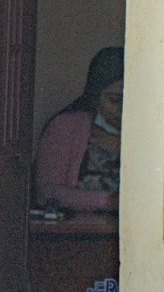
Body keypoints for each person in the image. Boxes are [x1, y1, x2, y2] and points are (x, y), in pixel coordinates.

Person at [35, 46, 124, 213]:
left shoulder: (149, 132)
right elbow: (46, 192)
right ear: (96, 96)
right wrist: (107, 201)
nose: (123, 110)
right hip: (76, 226)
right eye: (114, 100)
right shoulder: (66, 127)